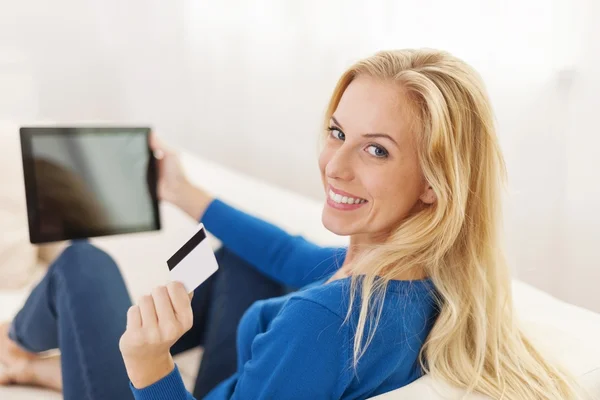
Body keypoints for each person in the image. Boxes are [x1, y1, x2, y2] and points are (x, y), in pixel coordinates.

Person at [0, 49, 582, 400]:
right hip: (240, 383)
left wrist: (151, 364)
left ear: (435, 182)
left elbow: (308, 319)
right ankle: (37, 365)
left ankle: (14, 342)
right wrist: (181, 191)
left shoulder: (323, 321)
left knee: (82, 261)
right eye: (337, 133)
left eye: (376, 151)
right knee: (247, 259)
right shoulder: (424, 280)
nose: (335, 165)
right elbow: (284, 251)